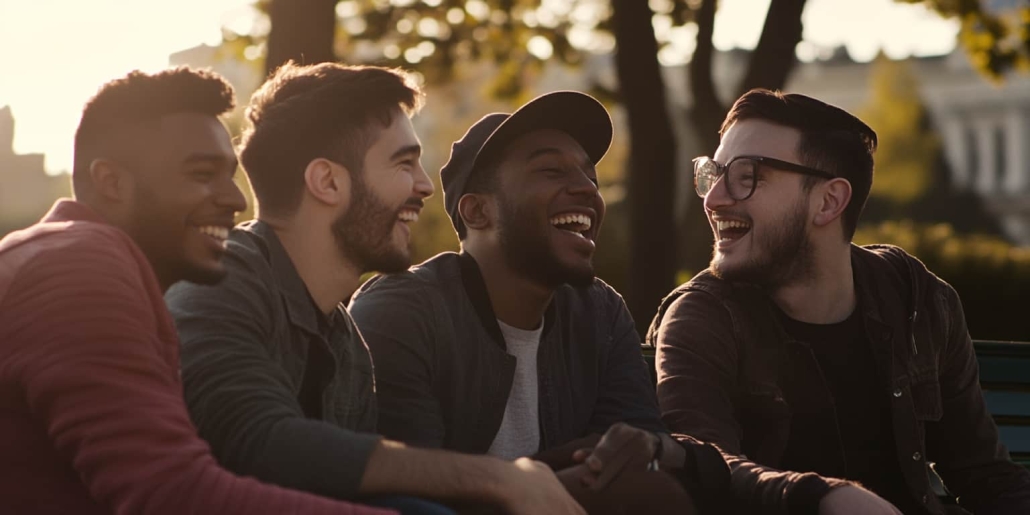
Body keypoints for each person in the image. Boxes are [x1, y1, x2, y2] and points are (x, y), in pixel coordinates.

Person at [165, 62, 583, 515]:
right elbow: (256, 440)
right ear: (328, 182)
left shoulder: (348, 348)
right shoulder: (220, 281)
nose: (424, 185)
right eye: (404, 163)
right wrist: (497, 478)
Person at [0, 68, 391, 514]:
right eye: (203, 174)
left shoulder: (70, 256)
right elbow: (172, 495)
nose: (235, 200)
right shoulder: (78, 265)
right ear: (111, 183)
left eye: (230, 174)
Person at [647, 88, 1030, 515]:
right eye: (713, 173)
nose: (713, 198)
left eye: (746, 175)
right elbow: (701, 465)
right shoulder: (702, 317)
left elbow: (987, 477)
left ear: (829, 201)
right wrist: (824, 497)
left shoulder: (915, 298)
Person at [349, 91, 728, 515]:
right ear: (477, 212)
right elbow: (407, 492)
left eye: (591, 177)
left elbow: (632, 459)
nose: (586, 188)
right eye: (551, 170)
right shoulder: (401, 312)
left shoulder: (600, 314)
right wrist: (542, 478)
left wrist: (634, 456)